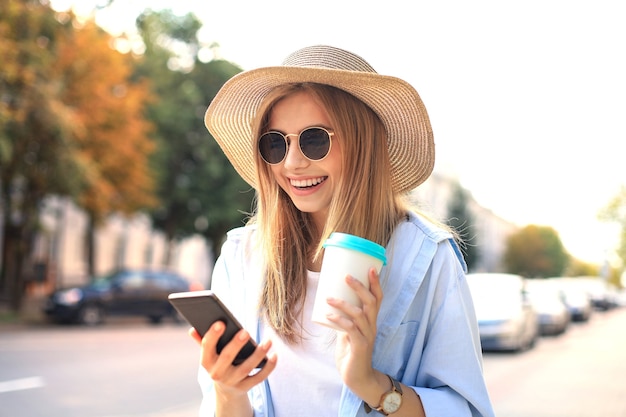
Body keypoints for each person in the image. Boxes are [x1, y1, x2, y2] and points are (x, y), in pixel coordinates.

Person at [190, 45, 495, 417]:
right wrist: (228, 393)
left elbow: (467, 410)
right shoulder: (242, 257)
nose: (293, 163)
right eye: (274, 143)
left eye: (314, 139)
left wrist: (371, 384)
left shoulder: (426, 256)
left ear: (361, 143)